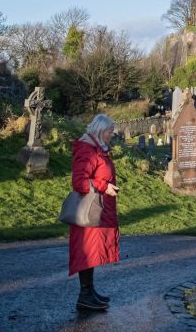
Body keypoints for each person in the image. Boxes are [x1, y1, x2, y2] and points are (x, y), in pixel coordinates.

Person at [69, 114, 120, 311]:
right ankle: (84, 294)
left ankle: (89, 292)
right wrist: (104, 186)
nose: (112, 134)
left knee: (91, 251)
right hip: (89, 209)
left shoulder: (96, 148)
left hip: (97, 208)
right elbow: (79, 181)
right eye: (109, 131)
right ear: (100, 131)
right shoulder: (87, 151)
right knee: (87, 251)